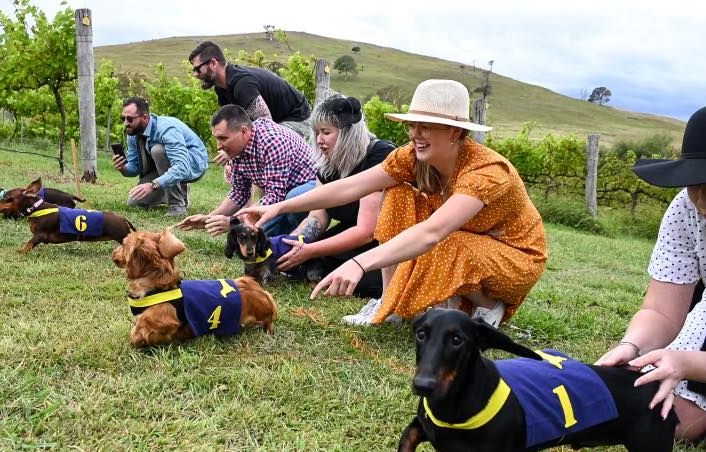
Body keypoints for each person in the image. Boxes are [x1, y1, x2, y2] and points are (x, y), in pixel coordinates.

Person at [236, 79, 547, 327]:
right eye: (412, 125)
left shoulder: (486, 171)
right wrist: (279, 207)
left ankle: (488, 306)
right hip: (466, 241)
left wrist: (359, 263)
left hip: (514, 259)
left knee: (452, 241)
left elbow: (432, 232)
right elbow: (351, 187)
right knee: (397, 194)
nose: (415, 133)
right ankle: (390, 300)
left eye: (426, 126)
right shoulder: (414, 157)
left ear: (454, 131)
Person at [595, 106, 706, 442]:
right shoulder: (685, 209)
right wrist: (633, 346)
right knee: (667, 418)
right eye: (693, 183)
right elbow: (662, 310)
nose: (700, 201)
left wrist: (689, 365)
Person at [273, 95, 395, 299]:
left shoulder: (377, 156)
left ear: (348, 133)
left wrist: (311, 250)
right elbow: (318, 216)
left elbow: (366, 231)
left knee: (355, 282)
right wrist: (293, 243)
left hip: (384, 239)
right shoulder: (328, 165)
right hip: (352, 233)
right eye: (317, 133)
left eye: (326, 132)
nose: (319, 140)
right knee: (307, 263)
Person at [176, 104, 317, 237]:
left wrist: (233, 221)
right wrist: (208, 219)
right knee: (251, 239)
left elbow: (275, 196)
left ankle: (302, 238)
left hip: (311, 189)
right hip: (282, 199)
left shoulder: (272, 142)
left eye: (223, 138)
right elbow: (239, 193)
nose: (219, 146)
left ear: (244, 131)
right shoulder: (237, 149)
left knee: (291, 198)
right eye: (217, 139)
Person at [188, 41, 311, 140]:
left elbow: (266, 127)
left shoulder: (242, 84)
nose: (195, 75)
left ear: (213, 63)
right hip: (278, 122)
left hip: (298, 120)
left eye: (198, 69)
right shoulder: (222, 89)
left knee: (267, 143)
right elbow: (233, 126)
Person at [112, 97, 208, 216]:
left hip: (192, 164)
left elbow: (182, 167)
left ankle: (177, 205)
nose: (126, 123)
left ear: (145, 117)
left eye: (130, 119)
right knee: (134, 202)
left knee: (158, 150)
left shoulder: (167, 129)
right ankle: (174, 188)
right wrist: (123, 168)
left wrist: (153, 185)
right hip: (165, 166)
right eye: (123, 118)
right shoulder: (132, 132)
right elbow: (134, 167)